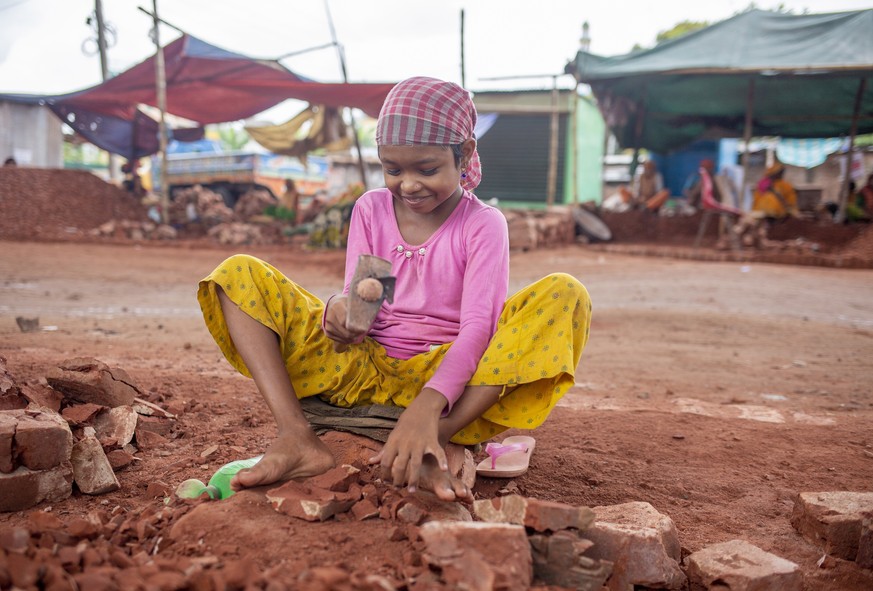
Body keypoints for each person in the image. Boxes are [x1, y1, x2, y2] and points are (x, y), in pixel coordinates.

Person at [195, 76, 592, 501]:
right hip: (360, 369)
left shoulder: (482, 224)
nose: (408, 185)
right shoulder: (371, 208)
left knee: (564, 293)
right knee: (238, 273)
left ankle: (431, 438)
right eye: (393, 169)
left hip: (445, 382)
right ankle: (296, 436)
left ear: (465, 154)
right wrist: (340, 314)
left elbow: (479, 328)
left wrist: (429, 407)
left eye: (426, 169)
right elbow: (367, 300)